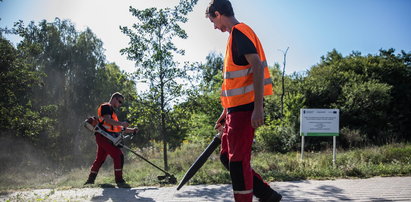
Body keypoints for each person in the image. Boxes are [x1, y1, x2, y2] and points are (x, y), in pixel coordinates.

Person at [206, 0, 282, 201]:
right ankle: (268, 195)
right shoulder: (234, 38)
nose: (214, 27)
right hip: (234, 111)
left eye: (213, 21)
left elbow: (256, 66)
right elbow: (235, 82)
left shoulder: (240, 32)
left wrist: (258, 108)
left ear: (218, 13)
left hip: (245, 111)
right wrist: (225, 112)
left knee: (238, 163)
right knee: (227, 158)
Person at [84, 92, 138, 187]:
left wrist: (132, 130)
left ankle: (90, 181)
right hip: (104, 136)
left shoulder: (113, 113)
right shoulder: (106, 107)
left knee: (100, 159)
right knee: (118, 155)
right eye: (120, 102)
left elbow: (118, 128)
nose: (120, 105)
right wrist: (122, 123)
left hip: (105, 137)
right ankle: (119, 181)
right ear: (115, 99)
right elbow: (108, 120)